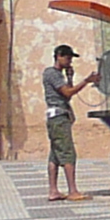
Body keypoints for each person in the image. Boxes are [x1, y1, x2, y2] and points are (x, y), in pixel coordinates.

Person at [41, 44, 97, 202]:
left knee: (55, 156)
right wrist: (86, 81)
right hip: (59, 117)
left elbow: (66, 94)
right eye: (67, 57)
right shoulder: (52, 74)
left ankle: (54, 190)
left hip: (57, 117)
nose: (69, 61)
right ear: (58, 56)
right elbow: (67, 92)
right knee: (67, 154)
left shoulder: (58, 75)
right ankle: (73, 191)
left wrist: (71, 78)